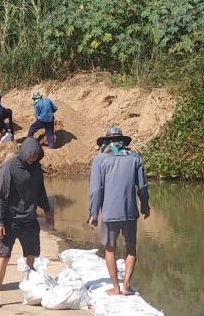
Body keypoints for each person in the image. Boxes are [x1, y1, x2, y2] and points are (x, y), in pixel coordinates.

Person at [0, 137, 54, 309]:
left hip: (30, 219)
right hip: (10, 221)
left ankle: (32, 290)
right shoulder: (8, 168)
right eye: (31, 156)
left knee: (32, 256)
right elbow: (0, 197)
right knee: (4, 256)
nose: (33, 159)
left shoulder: (36, 168)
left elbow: (40, 190)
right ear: (24, 152)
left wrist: (47, 209)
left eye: (36, 156)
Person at [87, 127, 150, 296]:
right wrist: (145, 205)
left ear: (106, 143)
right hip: (130, 212)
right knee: (131, 248)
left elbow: (96, 190)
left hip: (109, 213)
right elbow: (142, 186)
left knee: (110, 249)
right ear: (123, 142)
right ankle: (127, 286)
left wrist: (93, 213)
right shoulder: (135, 158)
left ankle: (115, 288)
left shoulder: (100, 160)